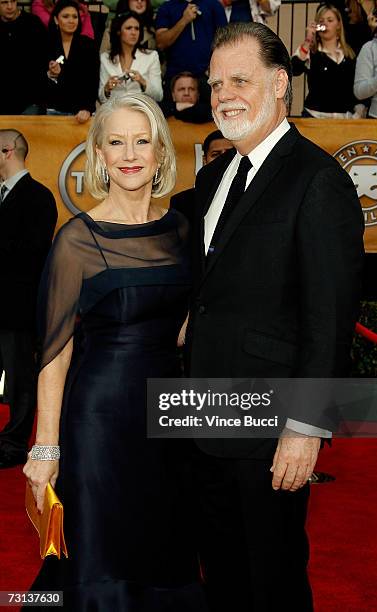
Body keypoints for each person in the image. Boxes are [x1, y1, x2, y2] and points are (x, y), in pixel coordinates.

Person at [185, 22, 364, 612]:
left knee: (274, 575)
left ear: (280, 83)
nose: (223, 96)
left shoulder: (318, 181)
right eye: (215, 85)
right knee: (221, 570)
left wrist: (306, 428)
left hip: (270, 425)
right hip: (201, 413)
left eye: (240, 80)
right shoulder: (213, 177)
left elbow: (330, 318)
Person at [22, 93, 207, 612]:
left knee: (165, 548)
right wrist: (46, 447)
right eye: (117, 142)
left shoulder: (180, 231)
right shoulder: (76, 240)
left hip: (169, 426)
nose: (130, 153)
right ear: (99, 155)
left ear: (160, 153)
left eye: (142, 141)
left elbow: (188, 322)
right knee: (100, 555)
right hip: (99, 423)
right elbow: (55, 353)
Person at [0, 130, 57, 469]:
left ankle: (13, 443)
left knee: (20, 377)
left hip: (17, 307)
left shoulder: (38, 196)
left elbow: (34, 253)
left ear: (8, 151)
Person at [291, 4, 364, 118]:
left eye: (330, 20)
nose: (325, 24)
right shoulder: (311, 52)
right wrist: (308, 39)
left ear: (339, 25)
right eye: (321, 21)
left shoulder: (350, 55)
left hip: (344, 118)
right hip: (314, 116)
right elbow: (294, 69)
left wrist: (359, 111)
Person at [46, 0, 99, 122]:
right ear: (56, 20)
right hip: (53, 110)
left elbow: (92, 80)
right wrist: (51, 75)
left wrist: (87, 109)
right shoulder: (46, 44)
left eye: (75, 16)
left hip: (82, 113)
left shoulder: (89, 45)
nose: (71, 20)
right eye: (65, 16)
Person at [155, 0, 227, 84]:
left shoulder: (214, 5)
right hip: (175, 76)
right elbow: (161, 43)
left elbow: (224, 42)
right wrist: (184, 20)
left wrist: (214, 67)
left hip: (207, 76)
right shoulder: (167, 7)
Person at [170, 129, 234, 223]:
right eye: (216, 154)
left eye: (228, 153)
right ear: (204, 160)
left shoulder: (247, 195)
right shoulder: (182, 202)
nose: (222, 159)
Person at [99, 11, 162, 104]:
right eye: (129, 28)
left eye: (137, 28)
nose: (134, 32)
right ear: (118, 31)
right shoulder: (105, 58)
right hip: (115, 112)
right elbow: (101, 98)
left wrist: (143, 82)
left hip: (141, 111)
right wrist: (107, 88)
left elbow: (159, 96)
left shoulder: (152, 56)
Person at [0, 0, 47, 115]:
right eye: (4, 2)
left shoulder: (33, 23)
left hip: (30, 102)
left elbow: (45, 58)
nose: (10, 6)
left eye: (13, 1)